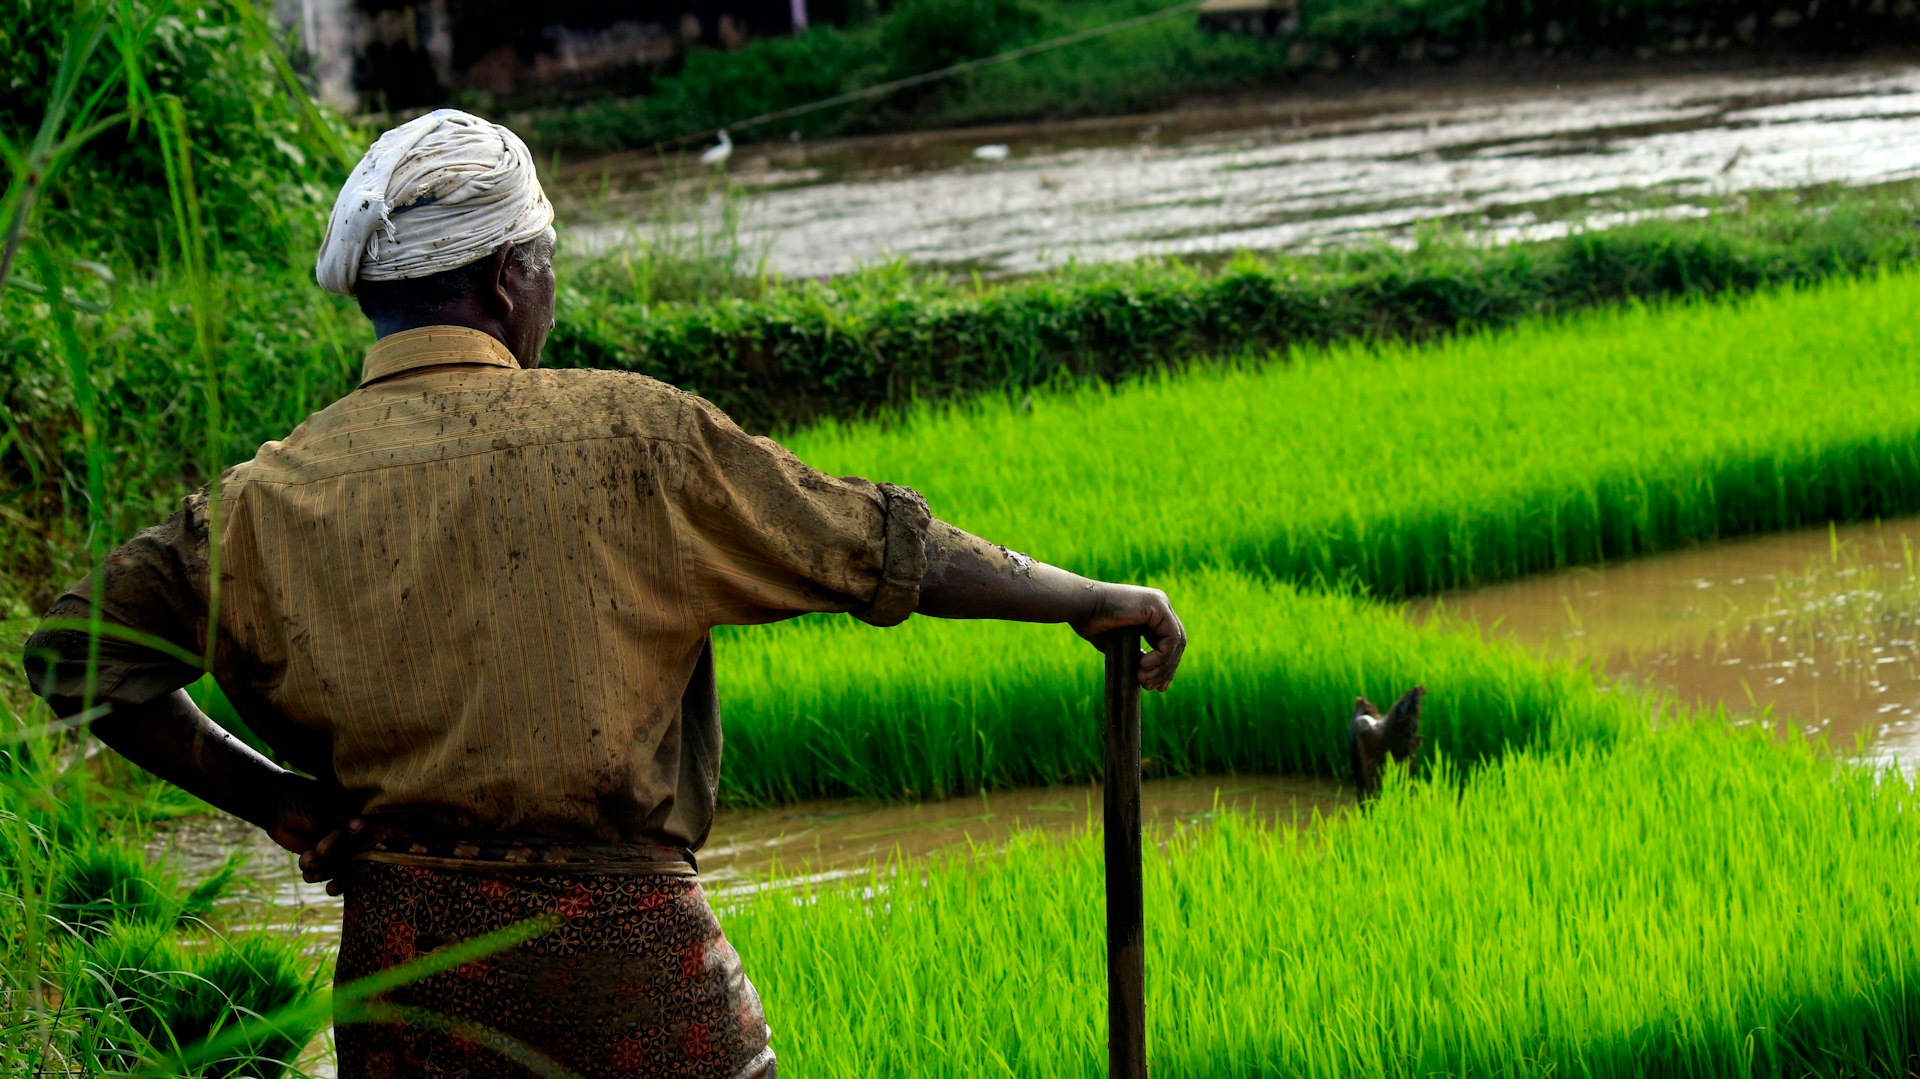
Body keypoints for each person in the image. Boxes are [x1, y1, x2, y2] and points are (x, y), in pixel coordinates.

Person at [20, 109, 1186, 1079]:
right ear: (506, 275)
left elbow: (75, 652)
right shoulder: (632, 434)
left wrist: (275, 797)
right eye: (548, 261)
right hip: (632, 975)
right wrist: (1088, 595)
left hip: (407, 988)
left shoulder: (264, 498)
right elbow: (881, 546)